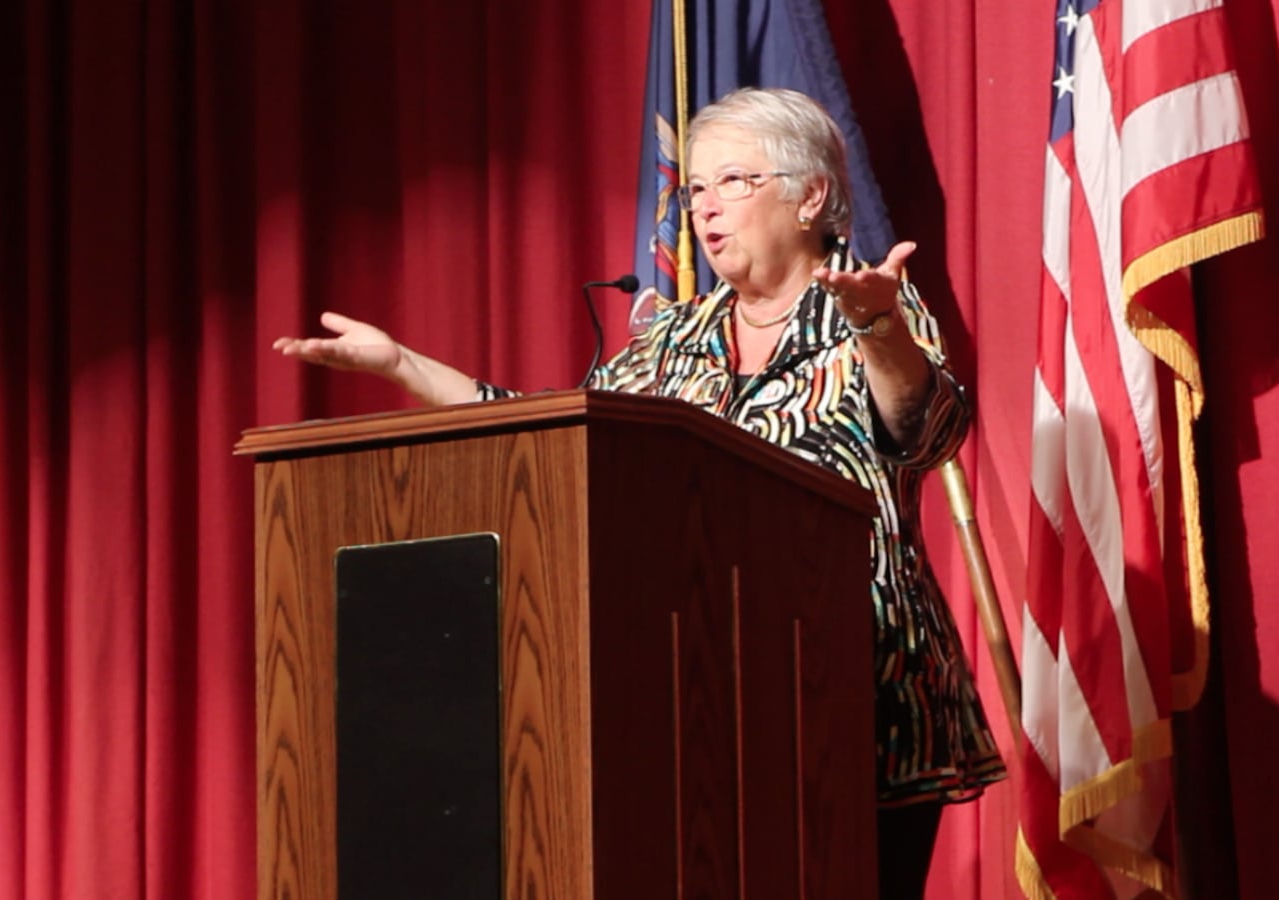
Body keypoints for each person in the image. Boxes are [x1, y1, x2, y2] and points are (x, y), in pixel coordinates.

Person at [273, 86, 1005, 899]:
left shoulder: (877, 315)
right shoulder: (671, 339)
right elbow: (555, 440)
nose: (705, 207)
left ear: (812, 197)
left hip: (866, 690)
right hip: (695, 694)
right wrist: (404, 366)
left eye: (734, 182)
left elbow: (928, 434)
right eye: (694, 189)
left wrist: (876, 328)